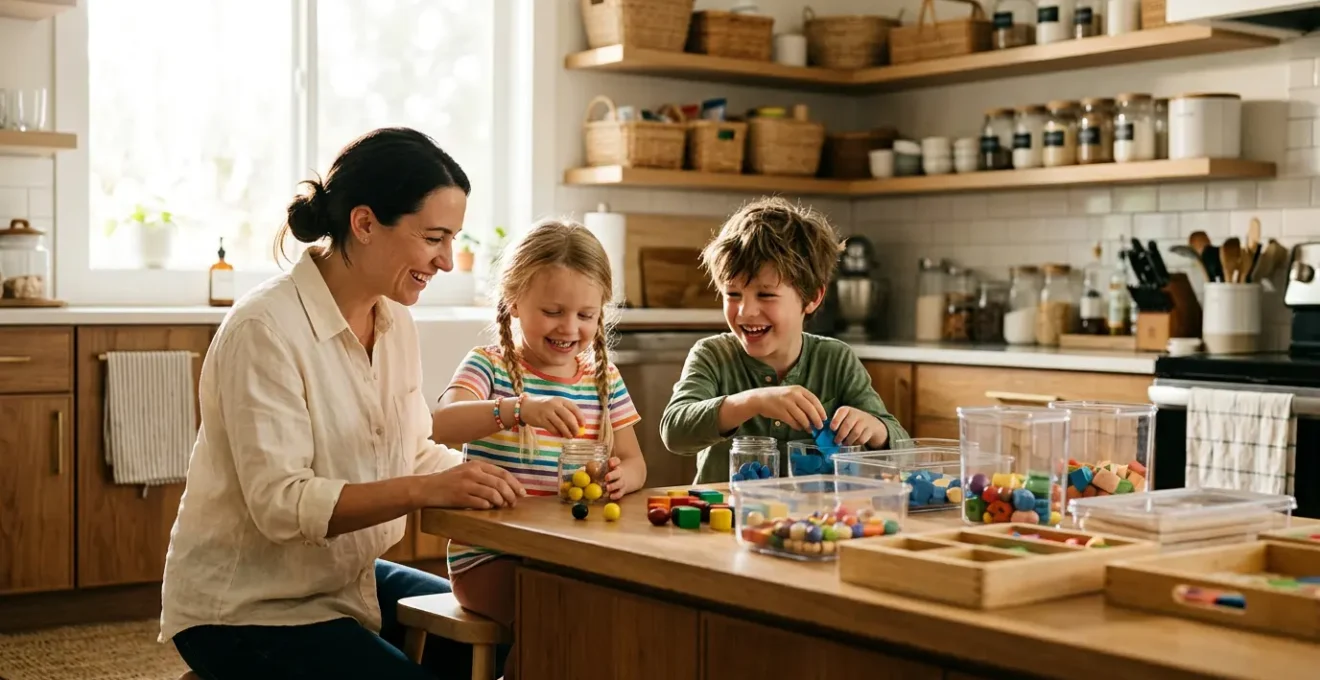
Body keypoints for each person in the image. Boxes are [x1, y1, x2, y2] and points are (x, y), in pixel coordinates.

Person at [159, 127, 526, 680]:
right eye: (434, 237)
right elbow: (283, 504)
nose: (448, 260)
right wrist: (427, 489)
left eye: (453, 238)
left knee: (498, 632)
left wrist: (499, 479)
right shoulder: (264, 329)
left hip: (340, 580)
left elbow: (412, 451)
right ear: (364, 223)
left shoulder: (395, 320)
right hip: (246, 608)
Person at [430, 219, 648, 679]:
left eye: (586, 315)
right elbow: (439, 424)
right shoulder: (489, 367)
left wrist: (622, 477)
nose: (570, 327)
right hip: (489, 557)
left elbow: (635, 461)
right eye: (553, 311)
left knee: (622, 610)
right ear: (514, 302)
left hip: (571, 554)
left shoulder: (602, 379)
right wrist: (517, 409)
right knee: (562, 615)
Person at [660, 196, 909, 484]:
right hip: (724, 522)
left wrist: (876, 429)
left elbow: (904, 451)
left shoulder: (835, 359)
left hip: (815, 521)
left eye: (765, 295)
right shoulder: (712, 355)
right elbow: (675, 432)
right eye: (733, 294)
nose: (746, 311)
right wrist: (753, 401)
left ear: (812, 297)